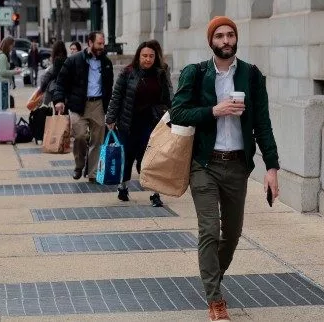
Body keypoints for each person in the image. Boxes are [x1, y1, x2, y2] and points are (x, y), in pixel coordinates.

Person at [171, 16, 280, 322]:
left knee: (231, 234)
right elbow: (177, 112)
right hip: (204, 164)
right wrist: (214, 111)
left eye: (230, 34)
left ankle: (211, 278)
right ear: (211, 41)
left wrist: (271, 167)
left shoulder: (252, 75)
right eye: (219, 35)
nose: (226, 40)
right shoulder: (196, 73)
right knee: (209, 230)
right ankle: (215, 299)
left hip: (236, 166)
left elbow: (263, 124)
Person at [105, 41, 172, 206]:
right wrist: (111, 118)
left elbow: (169, 96)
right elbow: (116, 96)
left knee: (150, 159)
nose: (147, 59)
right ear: (138, 56)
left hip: (152, 123)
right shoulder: (127, 72)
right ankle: (123, 187)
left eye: (151, 56)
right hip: (129, 123)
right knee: (127, 157)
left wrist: (171, 115)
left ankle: (154, 193)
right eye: (144, 56)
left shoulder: (161, 73)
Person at [53, 31, 114, 183]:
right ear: (90, 43)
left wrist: (110, 108)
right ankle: (79, 164)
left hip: (98, 104)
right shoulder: (74, 60)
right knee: (79, 136)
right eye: (99, 44)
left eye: (103, 44)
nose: (102, 47)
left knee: (97, 140)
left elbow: (109, 87)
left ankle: (92, 173)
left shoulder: (106, 62)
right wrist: (59, 100)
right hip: (78, 104)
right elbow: (61, 82)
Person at [0, 36, 22, 109]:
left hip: (0, 83)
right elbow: (3, 72)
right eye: (12, 45)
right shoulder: (2, 56)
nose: (12, 48)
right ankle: (1, 120)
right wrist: (16, 72)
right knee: (3, 106)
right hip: (1, 83)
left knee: (1, 106)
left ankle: (1, 120)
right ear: (8, 45)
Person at [38, 41, 67, 106]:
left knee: (58, 111)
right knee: (64, 111)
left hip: (57, 90)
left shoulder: (57, 60)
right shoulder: (67, 60)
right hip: (66, 90)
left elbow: (52, 75)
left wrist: (41, 89)